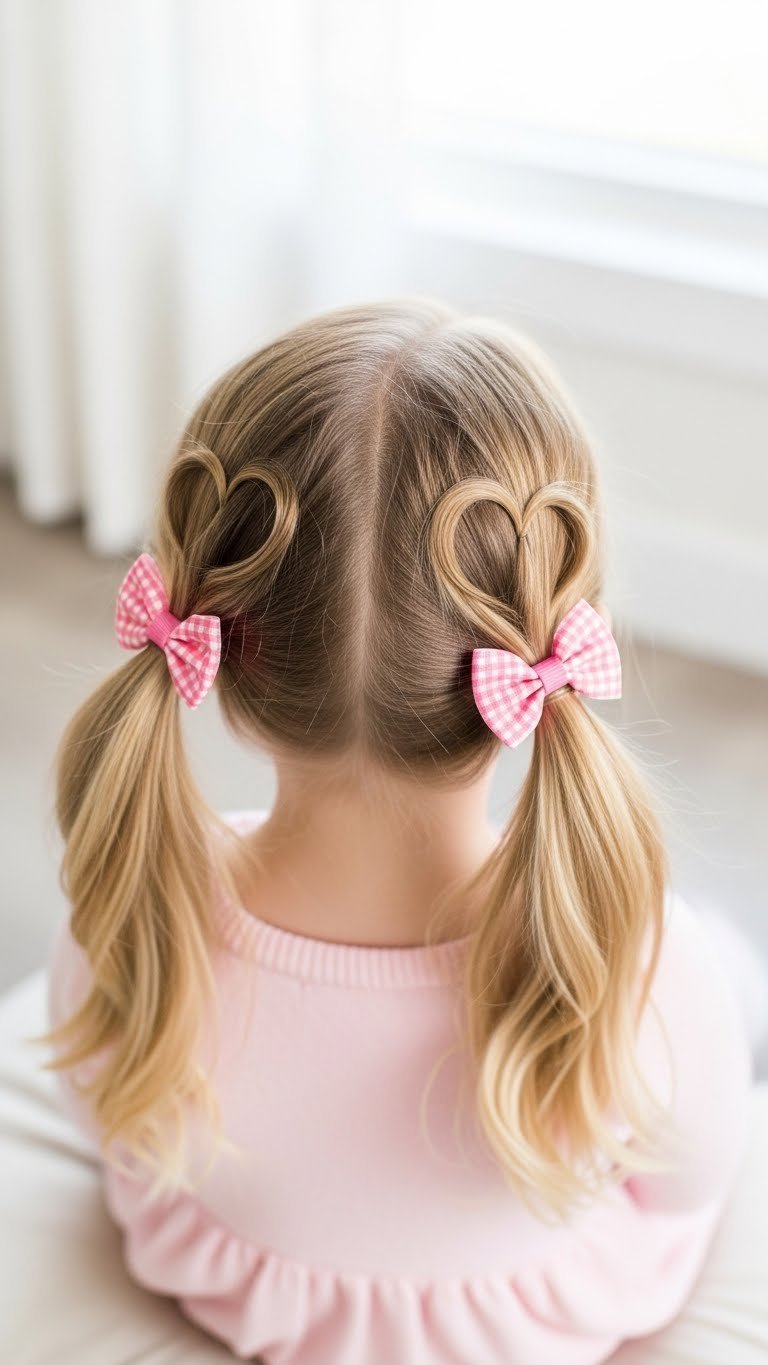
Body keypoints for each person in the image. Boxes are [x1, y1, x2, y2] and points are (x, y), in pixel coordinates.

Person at [37, 300, 755, 1364]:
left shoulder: (129, 911)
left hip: (243, 1294)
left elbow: (116, 1131)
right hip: (535, 1323)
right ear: (559, 622)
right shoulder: (639, 962)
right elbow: (695, 1173)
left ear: (223, 659)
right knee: (724, 987)